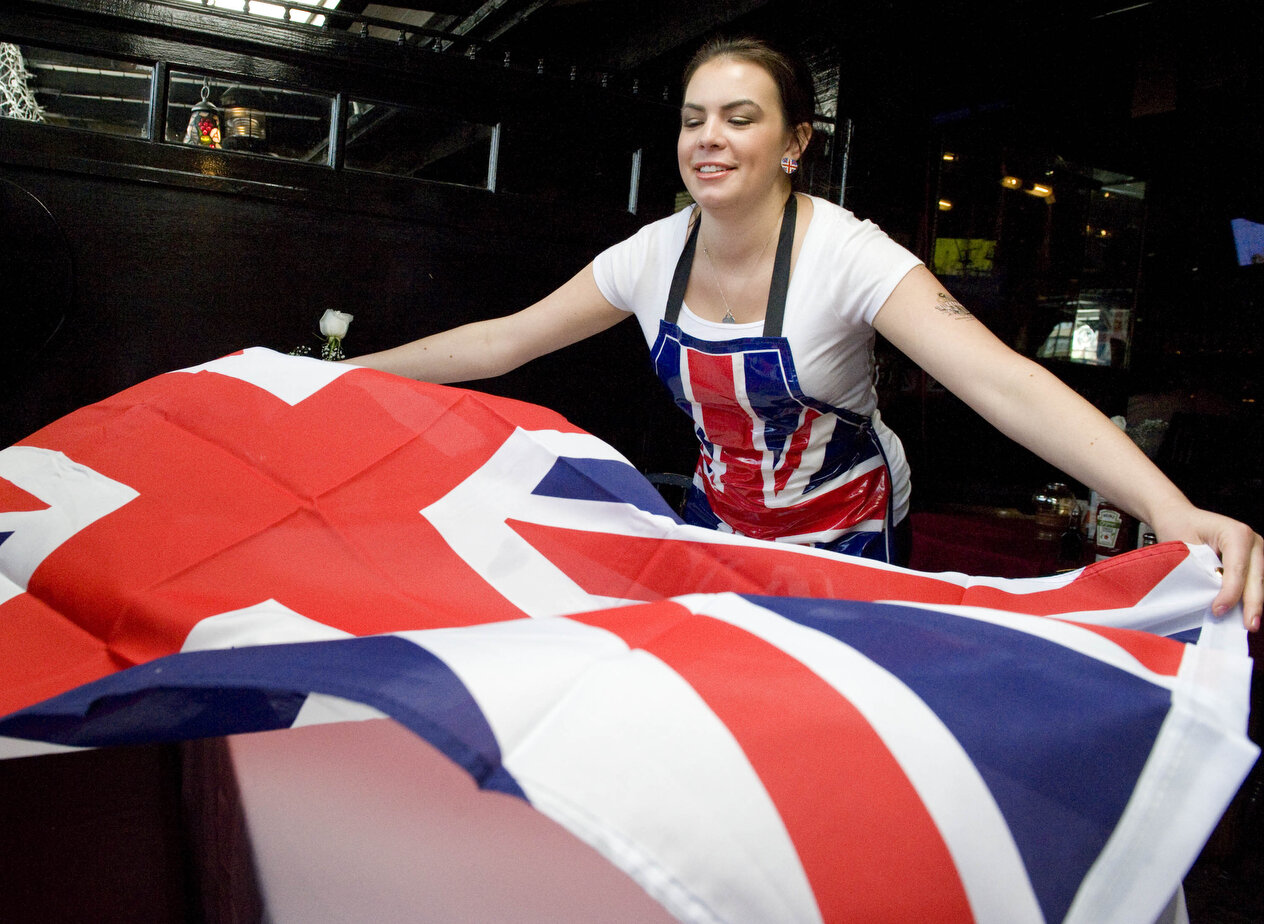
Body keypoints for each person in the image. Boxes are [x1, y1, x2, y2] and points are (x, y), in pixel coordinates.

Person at [348, 36, 1263, 631]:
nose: (709, 138)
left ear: (795, 143)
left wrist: (1168, 509)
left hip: (851, 528)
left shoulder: (848, 256)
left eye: (739, 119)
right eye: (694, 119)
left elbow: (1002, 380)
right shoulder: (650, 255)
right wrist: (343, 376)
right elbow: (503, 341)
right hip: (721, 515)